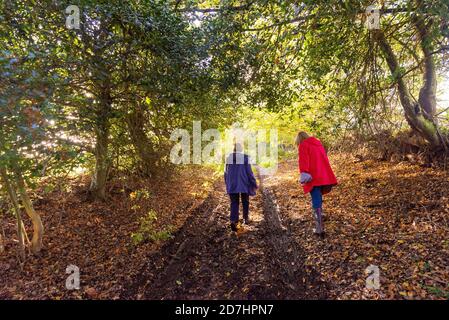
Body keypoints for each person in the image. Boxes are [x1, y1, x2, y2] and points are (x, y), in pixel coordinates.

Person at [295, 131, 337, 237]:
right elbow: (324, 159)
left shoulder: (303, 145)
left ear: (299, 139)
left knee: (316, 197)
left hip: (313, 176)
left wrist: (304, 172)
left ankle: (319, 228)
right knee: (318, 197)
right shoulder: (318, 144)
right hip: (323, 174)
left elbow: (303, 160)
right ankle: (320, 217)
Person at [224, 143, 258, 232]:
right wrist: (253, 182)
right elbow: (249, 172)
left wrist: (227, 183)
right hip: (243, 183)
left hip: (232, 183)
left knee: (234, 202)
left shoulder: (228, 158)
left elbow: (225, 172)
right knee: (245, 201)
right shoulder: (245, 158)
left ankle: (234, 222)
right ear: (241, 149)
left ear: (234, 149)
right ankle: (245, 219)